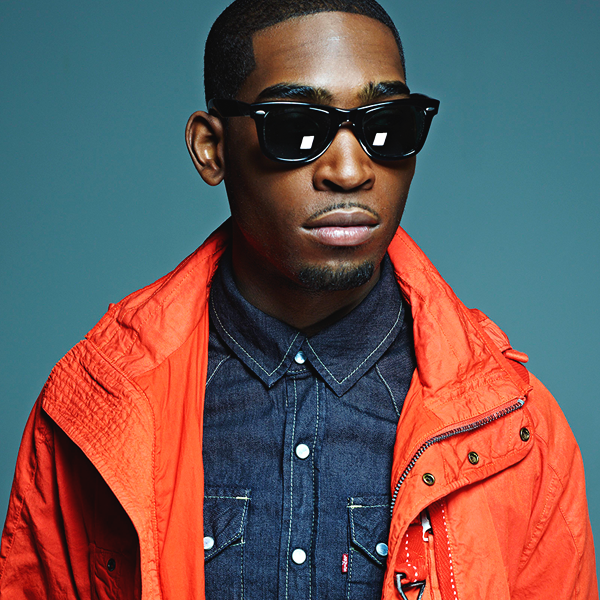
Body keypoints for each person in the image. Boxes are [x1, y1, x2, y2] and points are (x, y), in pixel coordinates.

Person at [0, 0, 597, 598]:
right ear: (211, 148)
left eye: (387, 126)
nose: (350, 171)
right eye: (296, 128)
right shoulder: (97, 412)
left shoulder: (516, 431)